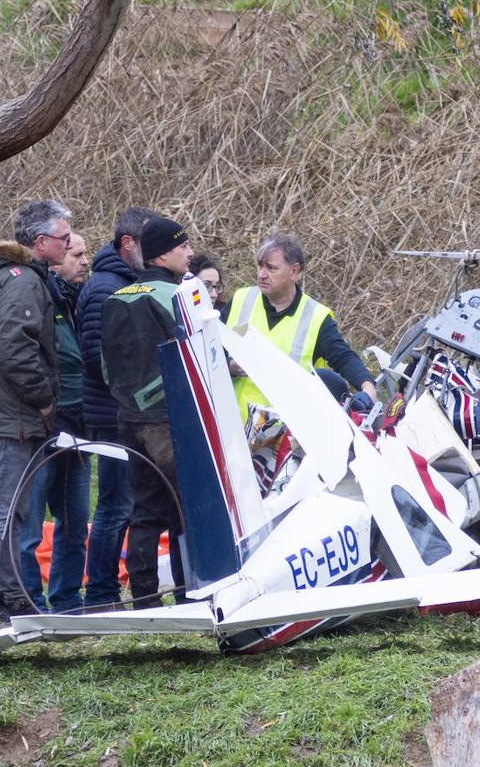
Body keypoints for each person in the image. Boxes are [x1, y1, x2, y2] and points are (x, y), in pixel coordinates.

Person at [0, 200, 70, 622]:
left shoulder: (17, 278)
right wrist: (43, 398)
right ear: (40, 242)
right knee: (0, 506)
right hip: (10, 415)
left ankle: (9, 593)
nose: (67, 245)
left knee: (16, 508)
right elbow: (16, 350)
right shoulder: (22, 280)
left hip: (8, 412)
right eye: (62, 239)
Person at [101, 217, 194, 608]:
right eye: (182, 246)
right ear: (161, 254)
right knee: (185, 508)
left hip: (128, 419)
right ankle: (191, 591)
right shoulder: (174, 297)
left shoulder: (116, 298)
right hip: (169, 418)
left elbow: (105, 366)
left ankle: (143, 597)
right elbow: (194, 357)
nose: (190, 253)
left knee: (145, 508)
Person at [76, 206, 159, 609]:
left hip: (123, 411)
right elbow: (97, 355)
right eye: (149, 243)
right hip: (111, 415)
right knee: (115, 504)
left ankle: (105, 592)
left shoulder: (124, 281)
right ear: (128, 244)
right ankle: (101, 593)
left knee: (124, 502)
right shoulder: (106, 288)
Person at [223, 234, 377, 419]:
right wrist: (229, 366)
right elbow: (208, 349)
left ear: (294, 271)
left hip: (283, 437)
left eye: (271, 268)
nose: (261, 274)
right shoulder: (241, 299)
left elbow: (343, 357)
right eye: (260, 265)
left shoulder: (316, 317)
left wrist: (367, 386)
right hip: (230, 426)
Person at [18, 232, 91, 613]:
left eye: (83, 253)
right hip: (46, 425)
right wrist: (45, 405)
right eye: (75, 253)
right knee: (29, 525)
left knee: (75, 521)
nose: (82, 260)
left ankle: (66, 599)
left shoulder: (79, 298)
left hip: (79, 427)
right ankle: (29, 601)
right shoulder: (40, 295)